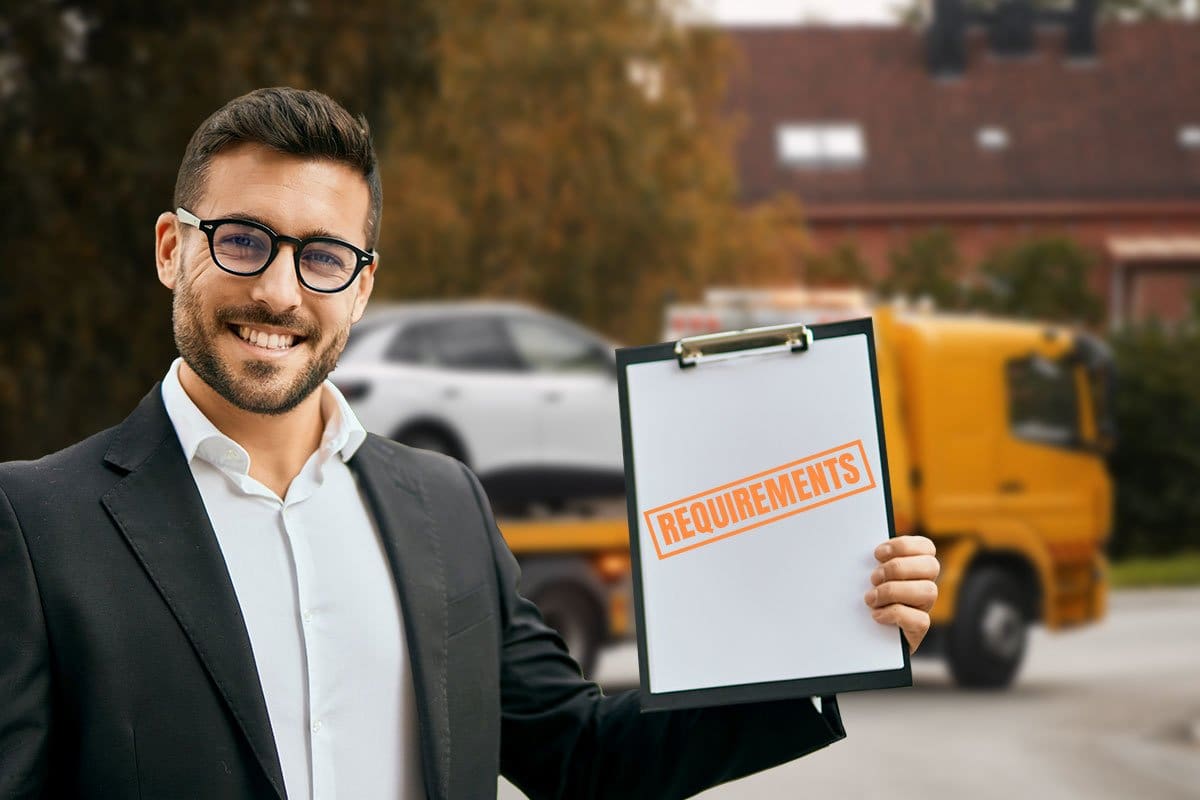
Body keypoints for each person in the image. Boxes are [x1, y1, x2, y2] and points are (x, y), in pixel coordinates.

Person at [0, 87, 940, 800]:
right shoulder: (38, 526)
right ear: (173, 248)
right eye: (243, 240)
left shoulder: (444, 505)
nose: (281, 293)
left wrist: (827, 639)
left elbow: (580, 755)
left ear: (362, 287)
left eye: (323, 256)